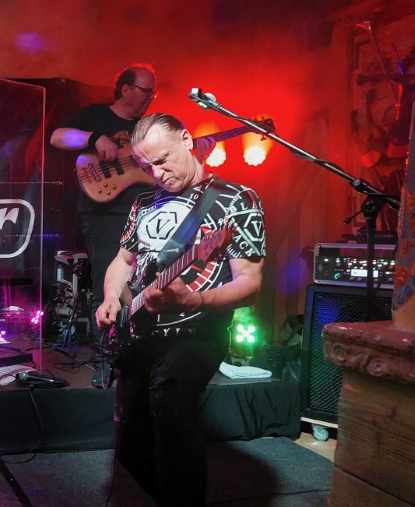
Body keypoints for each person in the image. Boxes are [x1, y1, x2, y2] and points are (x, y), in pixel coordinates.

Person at [95, 112, 265, 506]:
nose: (157, 174)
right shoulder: (143, 202)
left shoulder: (236, 199)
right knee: (132, 449)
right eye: (146, 167)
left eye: (162, 160)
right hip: (141, 335)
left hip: (197, 334)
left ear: (186, 140)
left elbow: (250, 284)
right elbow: (123, 261)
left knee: (169, 398)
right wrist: (111, 297)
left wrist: (194, 300)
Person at [50, 64, 212, 387]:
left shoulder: (148, 128)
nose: (151, 97)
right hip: (105, 214)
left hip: (148, 212)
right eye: (146, 91)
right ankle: (107, 360)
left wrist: (198, 157)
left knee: (148, 282)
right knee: (107, 285)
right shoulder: (95, 115)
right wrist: (94, 138)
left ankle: (145, 355)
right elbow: (57, 137)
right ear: (125, 89)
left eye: (154, 92)